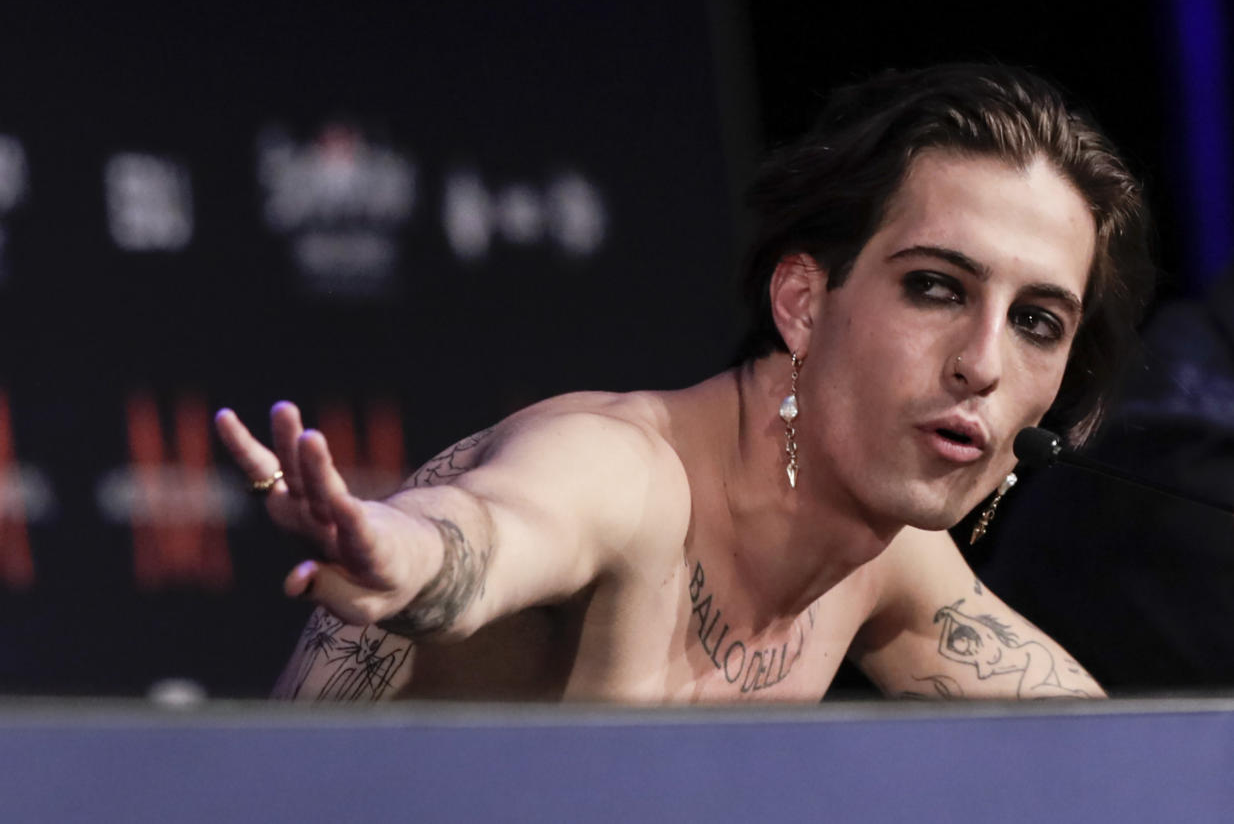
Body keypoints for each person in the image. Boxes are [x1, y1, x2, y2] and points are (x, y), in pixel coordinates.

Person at [216, 63, 1154, 702]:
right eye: (935, 288)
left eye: (1037, 321)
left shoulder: (887, 568)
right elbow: (502, 526)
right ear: (803, 302)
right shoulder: (629, 473)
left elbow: (1133, 765)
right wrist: (405, 551)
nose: (982, 363)